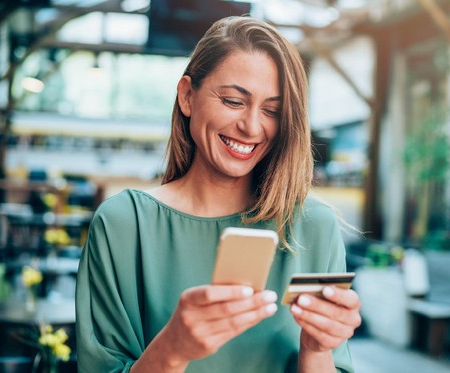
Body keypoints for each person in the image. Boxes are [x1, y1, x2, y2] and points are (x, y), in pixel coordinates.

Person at [76, 16, 361, 373]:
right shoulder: (123, 225)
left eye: (272, 110)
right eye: (233, 101)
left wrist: (318, 350)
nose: (252, 126)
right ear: (187, 96)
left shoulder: (312, 227)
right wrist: (173, 349)